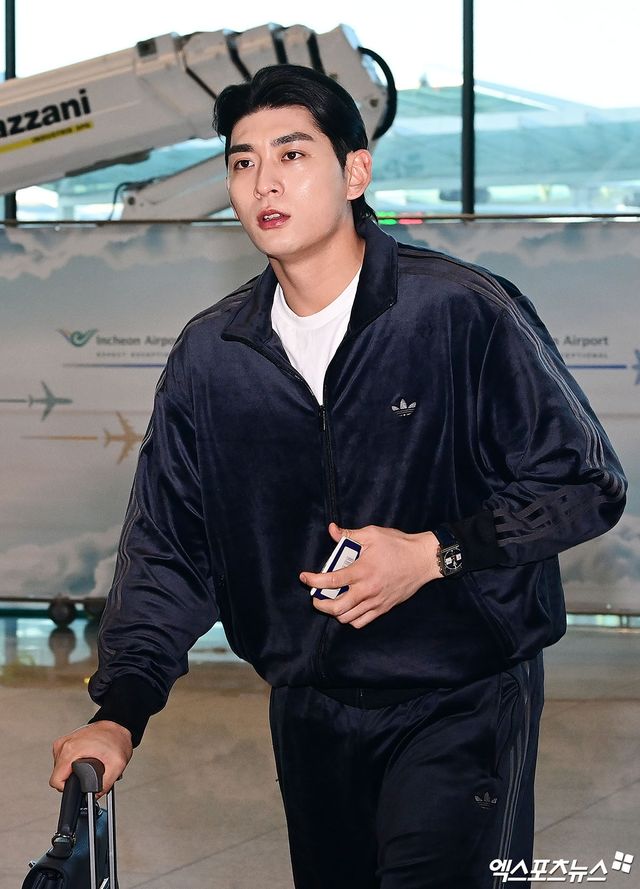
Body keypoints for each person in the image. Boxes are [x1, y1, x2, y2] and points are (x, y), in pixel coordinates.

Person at [50, 64, 626, 888]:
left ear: (356, 171)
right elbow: (170, 549)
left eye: (292, 154)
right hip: (310, 709)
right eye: (243, 161)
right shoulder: (213, 356)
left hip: (462, 700)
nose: (264, 181)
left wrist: (433, 553)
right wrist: (120, 713)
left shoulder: (460, 311)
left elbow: (584, 482)